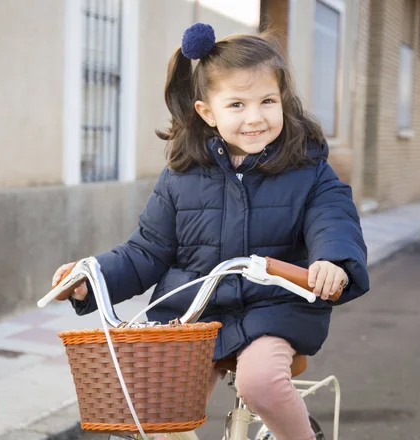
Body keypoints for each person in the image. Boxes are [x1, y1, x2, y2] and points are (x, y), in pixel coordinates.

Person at [52, 23, 369, 440]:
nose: (255, 117)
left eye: (267, 101)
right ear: (207, 112)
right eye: (236, 105)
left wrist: (332, 261)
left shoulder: (308, 170)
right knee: (159, 406)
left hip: (274, 309)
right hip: (194, 314)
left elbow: (334, 220)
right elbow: (147, 250)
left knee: (260, 383)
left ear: (283, 101)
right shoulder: (182, 175)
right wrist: (90, 279)